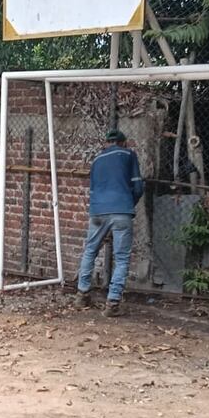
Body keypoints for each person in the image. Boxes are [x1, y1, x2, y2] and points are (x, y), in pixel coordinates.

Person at [74, 128, 145, 317]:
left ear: (106, 143)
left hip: (97, 211)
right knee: (121, 258)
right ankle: (112, 303)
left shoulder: (96, 160)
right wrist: (129, 202)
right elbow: (138, 186)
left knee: (90, 250)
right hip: (122, 210)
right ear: (123, 142)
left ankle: (82, 294)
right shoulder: (128, 155)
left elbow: (93, 188)